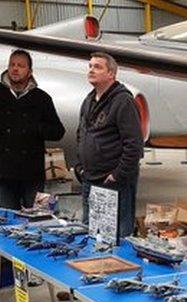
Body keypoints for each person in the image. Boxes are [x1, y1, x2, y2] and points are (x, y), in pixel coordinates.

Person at [0, 49, 65, 210]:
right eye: (12, 64)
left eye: (20, 66)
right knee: (7, 220)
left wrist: (34, 128)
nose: (15, 69)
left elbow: (58, 131)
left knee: (36, 219)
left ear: (30, 72)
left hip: (32, 172)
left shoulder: (41, 98)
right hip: (5, 171)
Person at [76, 52, 144, 238]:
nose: (91, 70)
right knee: (91, 233)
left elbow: (134, 144)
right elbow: (81, 135)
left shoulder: (123, 101)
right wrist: (80, 167)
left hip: (113, 182)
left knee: (117, 237)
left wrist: (117, 175)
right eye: (90, 66)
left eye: (97, 67)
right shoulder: (88, 101)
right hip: (90, 179)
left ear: (111, 74)